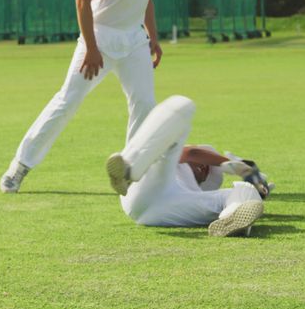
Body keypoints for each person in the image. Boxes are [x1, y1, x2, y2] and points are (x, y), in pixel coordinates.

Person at [0, 0, 170, 193]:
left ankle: (129, 172)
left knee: (145, 104)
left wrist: (152, 37)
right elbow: (82, 1)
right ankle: (20, 165)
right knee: (67, 102)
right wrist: (91, 48)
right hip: (99, 41)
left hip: (134, 42)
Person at [105, 95, 273, 237]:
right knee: (182, 105)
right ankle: (129, 169)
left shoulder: (195, 190)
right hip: (141, 189)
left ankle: (233, 218)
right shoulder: (173, 158)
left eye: (206, 172)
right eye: (205, 164)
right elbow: (191, 152)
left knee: (245, 190)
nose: (202, 168)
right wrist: (235, 167)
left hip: (164, 211)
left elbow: (196, 160)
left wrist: (255, 190)